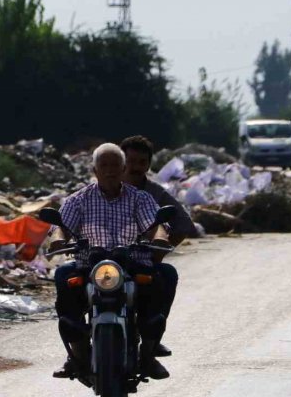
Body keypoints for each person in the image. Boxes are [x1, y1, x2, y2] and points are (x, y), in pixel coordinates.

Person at [51, 142, 173, 381]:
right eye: (104, 165)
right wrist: (57, 239)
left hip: (131, 264)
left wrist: (159, 237)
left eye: (115, 165)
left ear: (123, 168)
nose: (109, 170)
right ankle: (76, 355)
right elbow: (61, 227)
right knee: (63, 277)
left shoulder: (140, 199)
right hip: (89, 266)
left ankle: (147, 354)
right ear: (95, 170)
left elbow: (155, 225)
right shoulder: (79, 199)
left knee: (162, 281)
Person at [119, 135, 196, 358]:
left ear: (149, 165)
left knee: (167, 275)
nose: (135, 167)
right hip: (104, 260)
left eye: (141, 162)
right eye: (130, 161)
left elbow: (183, 225)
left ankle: (151, 343)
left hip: (140, 261)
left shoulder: (154, 194)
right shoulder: (104, 188)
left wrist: (157, 254)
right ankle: (79, 348)